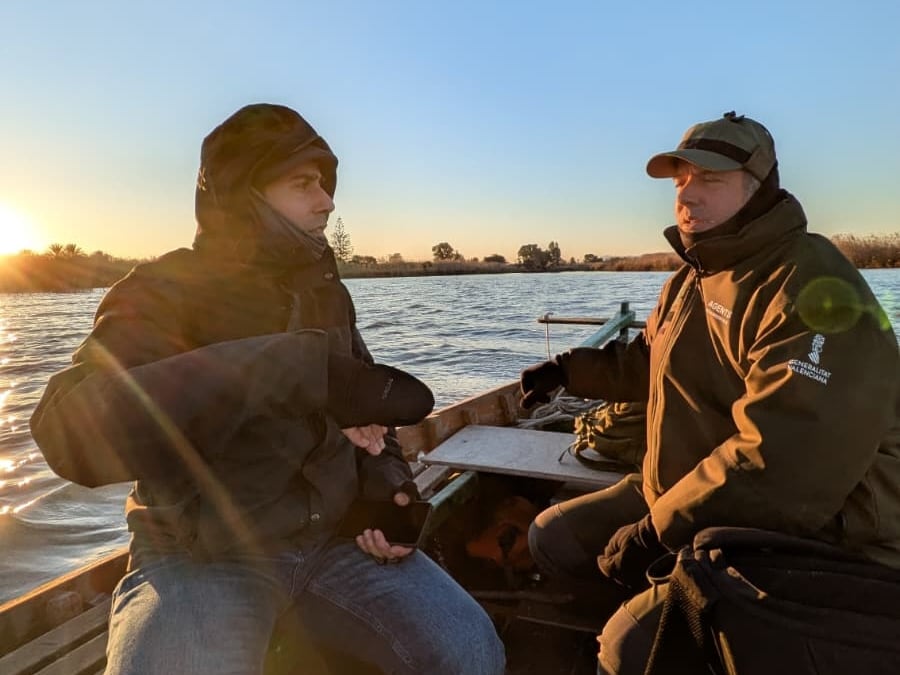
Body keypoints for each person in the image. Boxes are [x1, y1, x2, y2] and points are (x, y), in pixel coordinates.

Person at [30, 103, 506, 675]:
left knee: (472, 650)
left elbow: (372, 429)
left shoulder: (327, 292)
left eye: (326, 184)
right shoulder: (161, 290)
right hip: (201, 556)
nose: (327, 201)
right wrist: (285, 367)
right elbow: (67, 432)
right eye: (303, 183)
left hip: (335, 542)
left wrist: (386, 490)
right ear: (243, 194)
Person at [520, 111, 900, 674]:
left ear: (759, 188)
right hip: (688, 485)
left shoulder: (813, 285)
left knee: (627, 650)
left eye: (711, 180)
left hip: (819, 529)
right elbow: (654, 361)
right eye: (681, 181)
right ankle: (654, 617)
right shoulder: (691, 276)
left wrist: (655, 532)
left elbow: (784, 462)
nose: (688, 197)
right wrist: (569, 372)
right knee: (554, 538)